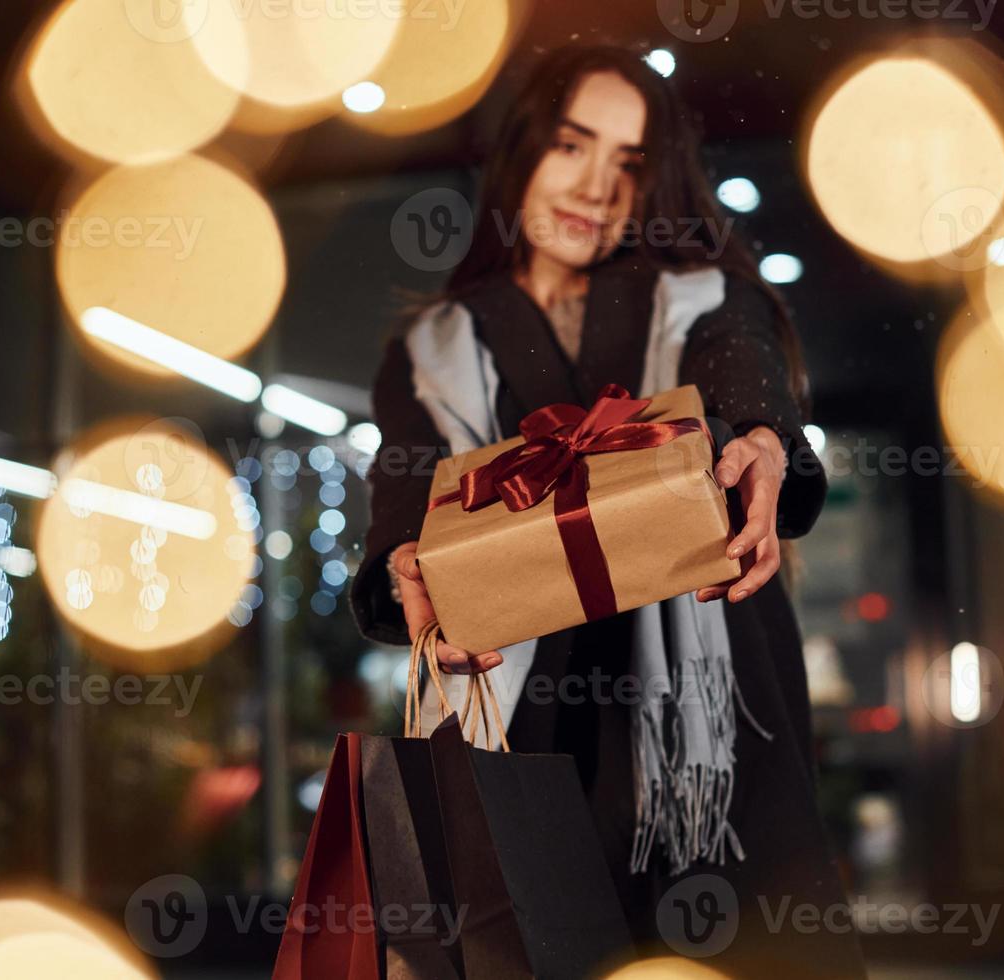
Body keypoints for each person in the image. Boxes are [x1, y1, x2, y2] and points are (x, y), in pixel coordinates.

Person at [351, 45, 865, 978]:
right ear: (521, 155)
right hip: (526, 697)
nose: (597, 187)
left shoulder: (700, 299)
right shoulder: (435, 348)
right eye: (571, 146)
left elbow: (741, 373)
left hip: (710, 702)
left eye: (630, 164)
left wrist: (760, 439)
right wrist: (405, 565)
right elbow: (407, 493)